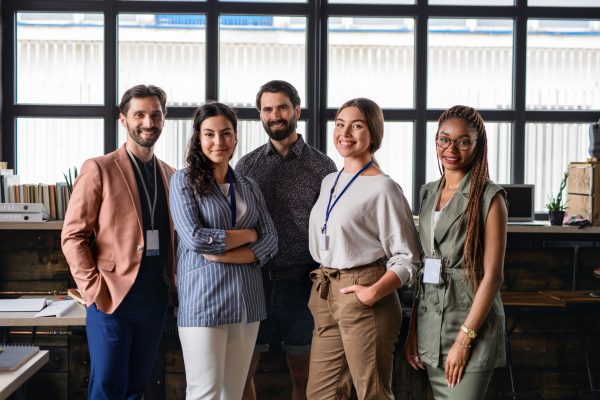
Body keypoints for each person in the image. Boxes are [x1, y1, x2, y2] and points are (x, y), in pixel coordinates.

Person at [61, 84, 176, 399]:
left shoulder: (170, 174)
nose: (148, 122)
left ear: (164, 119)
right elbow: (72, 234)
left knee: (137, 387)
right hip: (112, 296)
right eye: (139, 114)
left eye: (155, 114)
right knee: (107, 387)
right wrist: (93, 288)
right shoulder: (99, 168)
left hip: (155, 296)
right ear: (123, 120)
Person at [307, 98, 421, 400]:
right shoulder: (329, 181)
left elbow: (408, 259)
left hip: (365, 290)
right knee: (321, 394)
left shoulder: (383, 187)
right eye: (340, 124)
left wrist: (373, 292)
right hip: (325, 289)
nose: (345, 133)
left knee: (372, 394)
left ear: (374, 133)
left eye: (356, 125)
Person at [169, 102, 278, 400]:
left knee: (233, 392)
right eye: (210, 134)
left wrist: (231, 251)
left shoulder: (248, 184)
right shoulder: (183, 180)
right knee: (205, 392)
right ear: (198, 138)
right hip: (205, 300)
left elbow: (270, 239)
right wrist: (248, 235)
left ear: (236, 136)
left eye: (226, 133)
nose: (219, 142)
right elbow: (195, 239)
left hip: (247, 300)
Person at [236, 80, 337, 400]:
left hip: (303, 283)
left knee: (305, 376)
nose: (275, 115)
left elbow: (332, 227)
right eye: (267, 109)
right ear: (260, 115)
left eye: (282, 107)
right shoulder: (245, 166)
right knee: (242, 373)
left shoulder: (323, 166)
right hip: (254, 282)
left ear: (297, 110)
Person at [404, 105, 507, 399]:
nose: (451, 149)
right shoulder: (427, 192)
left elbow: (493, 277)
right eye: (444, 139)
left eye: (463, 141)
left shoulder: (490, 197)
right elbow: (426, 266)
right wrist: (413, 329)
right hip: (430, 323)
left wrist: (464, 340)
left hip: (469, 325)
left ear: (478, 145)